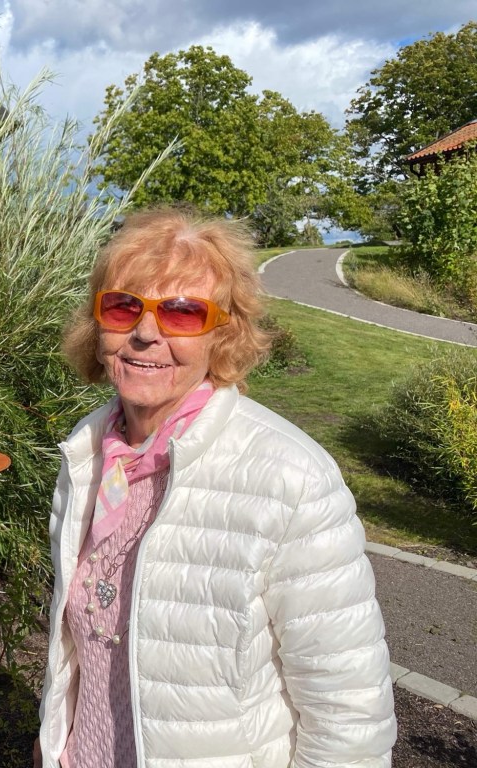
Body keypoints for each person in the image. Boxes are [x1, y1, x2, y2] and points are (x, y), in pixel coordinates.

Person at [35, 207, 396, 768]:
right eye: (123, 306)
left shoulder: (289, 476)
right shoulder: (89, 454)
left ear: (223, 333)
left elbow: (348, 710)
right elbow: (81, 648)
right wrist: (54, 740)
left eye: (182, 313)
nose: (146, 333)